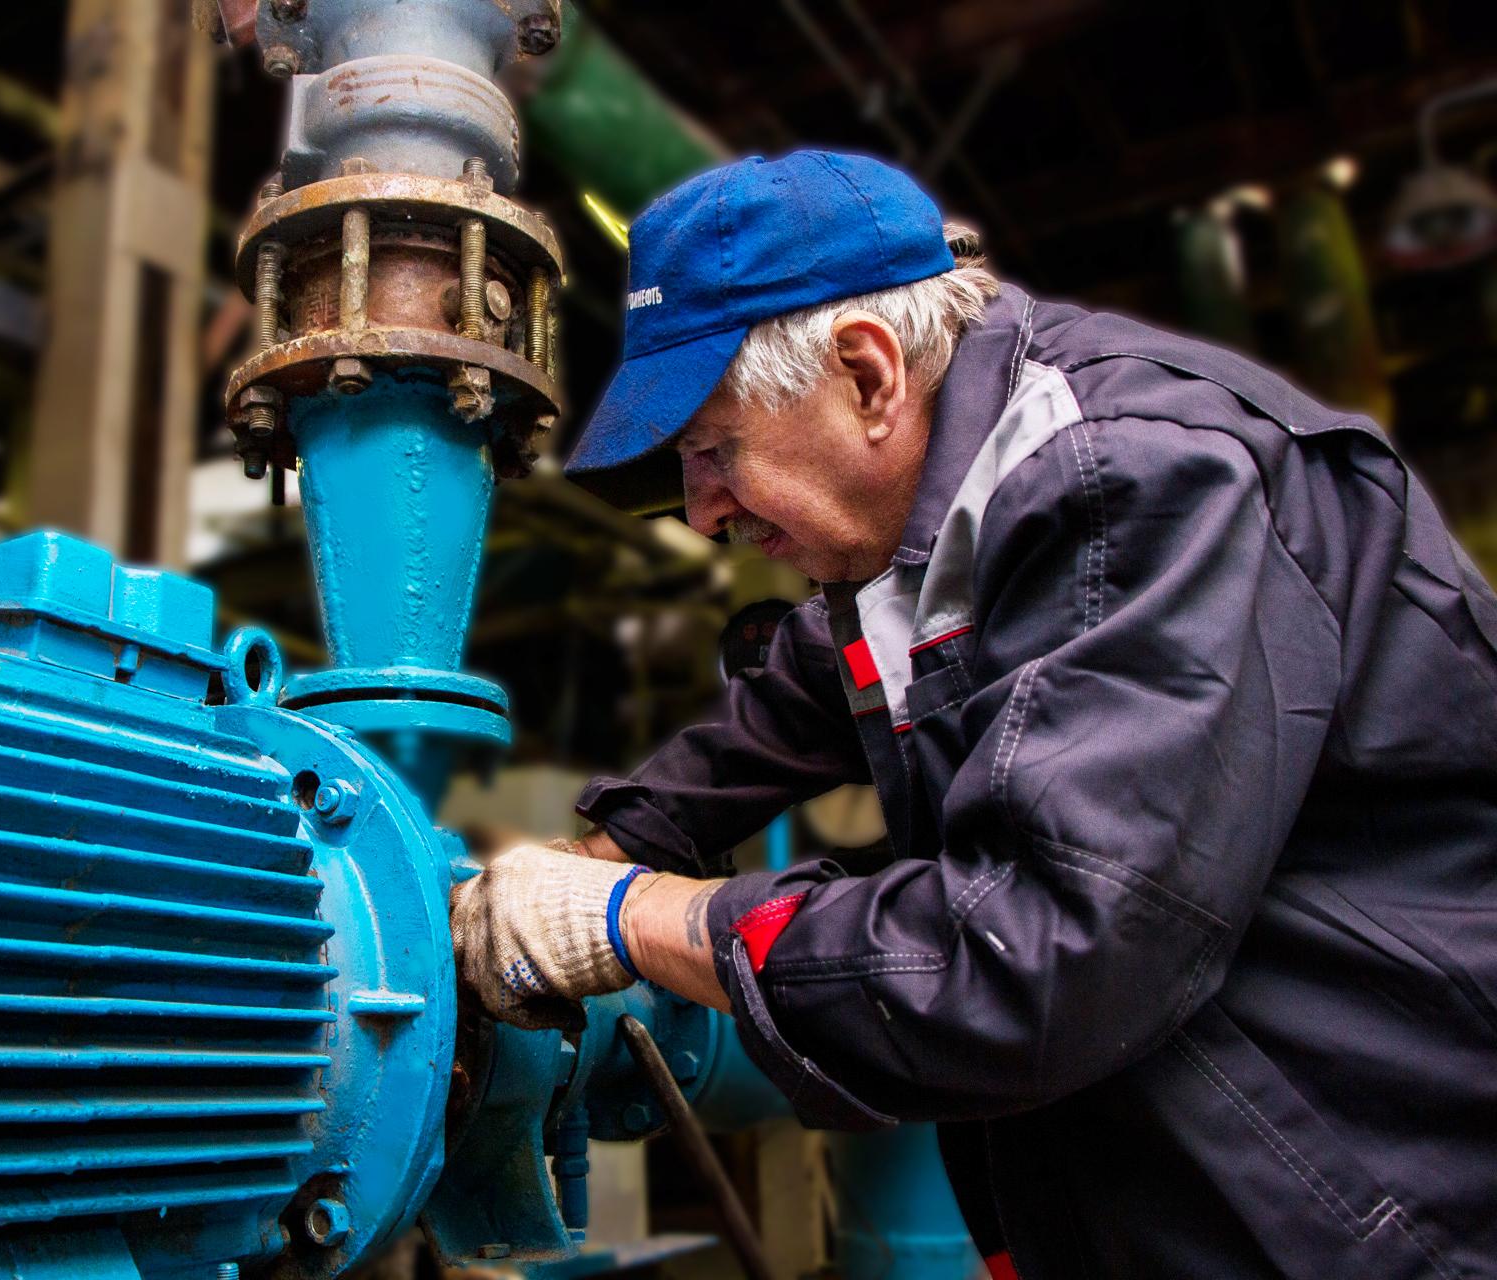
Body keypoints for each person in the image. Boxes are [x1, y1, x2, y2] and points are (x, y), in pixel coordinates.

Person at [449, 150, 1497, 1278]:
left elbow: (1037, 951)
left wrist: (634, 917)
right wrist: (601, 846)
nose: (702, 510)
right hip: (1179, 1191)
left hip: (1365, 1203)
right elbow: (809, 683)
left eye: (714, 449)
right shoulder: (923, 531)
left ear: (866, 373)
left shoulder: (1138, 480)